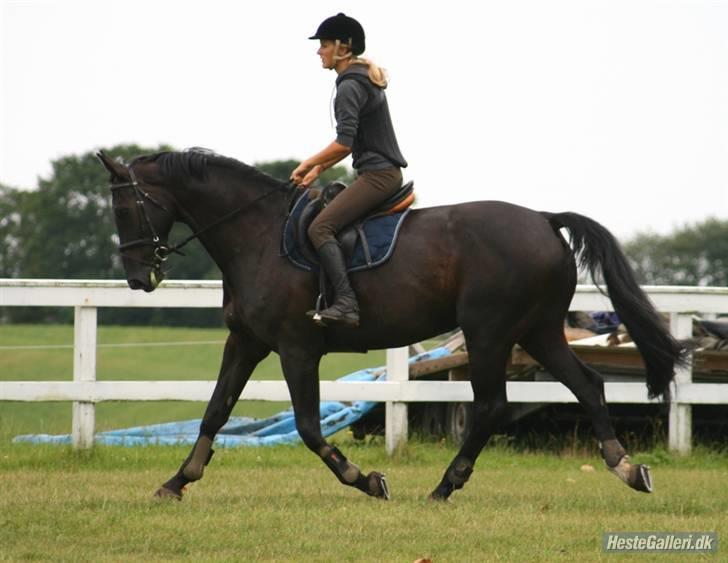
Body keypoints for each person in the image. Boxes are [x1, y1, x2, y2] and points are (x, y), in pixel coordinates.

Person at [290, 12, 408, 328]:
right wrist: (318, 170)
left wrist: (308, 163)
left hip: (378, 176)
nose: (319, 51)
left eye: (325, 44)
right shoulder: (358, 80)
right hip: (379, 173)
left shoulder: (349, 88)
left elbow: (343, 144)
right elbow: (352, 144)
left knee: (320, 228)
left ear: (344, 47)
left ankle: (346, 303)